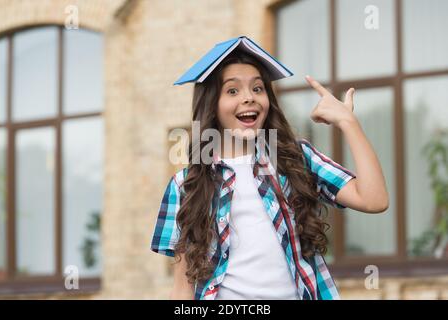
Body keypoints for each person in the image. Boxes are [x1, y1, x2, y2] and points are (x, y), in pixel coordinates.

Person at [150, 39, 389, 300]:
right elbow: (183, 288)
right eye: (232, 91)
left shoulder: (295, 159)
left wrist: (348, 123)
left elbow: (374, 199)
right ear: (212, 105)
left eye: (257, 88)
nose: (249, 97)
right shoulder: (186, 186)